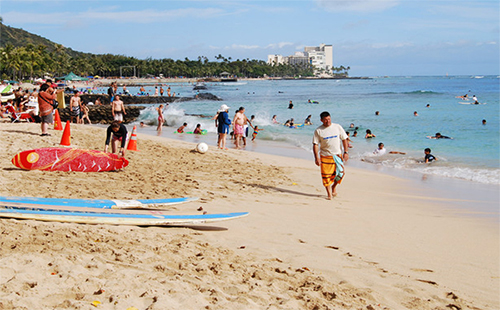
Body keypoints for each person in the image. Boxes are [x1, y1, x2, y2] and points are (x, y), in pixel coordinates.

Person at [313, 111, 349, 200]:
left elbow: (344, 139)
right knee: (326, 176)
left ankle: (334, 187)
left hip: (337, 155)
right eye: (325, 120)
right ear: (321, 120)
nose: (327, 121)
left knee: (341, 173)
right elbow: (315, 144)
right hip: (325, 156)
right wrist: (316, 158)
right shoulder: (318, 131)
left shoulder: (337, 127)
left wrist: (346, 152)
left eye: (329, 119)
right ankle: (329, 194)